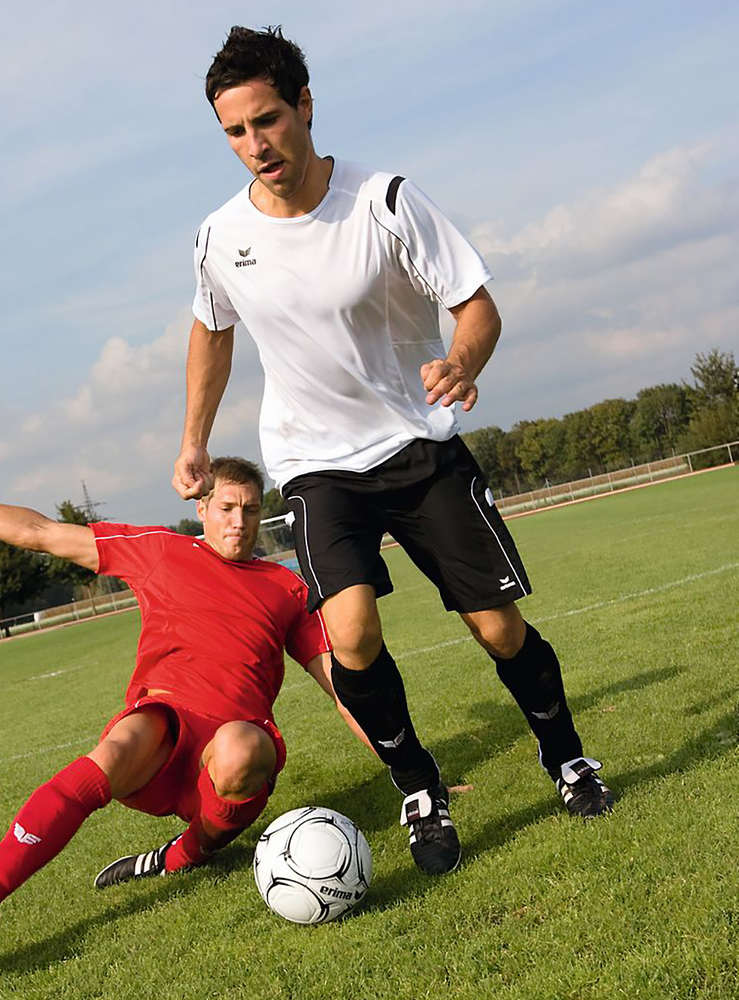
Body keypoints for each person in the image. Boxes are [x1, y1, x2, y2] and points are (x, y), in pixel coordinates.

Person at [172, 26, 614, 878]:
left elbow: (476, 306)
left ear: (305, 105)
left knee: (498, 628)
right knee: (351, 631)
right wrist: (193, 439)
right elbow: (212, 330)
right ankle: (420, 788)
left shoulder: (386, 200)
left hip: (416, 444)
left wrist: (462, 361)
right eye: (234, 132)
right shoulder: (220, 234)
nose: (255, 145)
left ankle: (565, 756)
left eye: (267, 120)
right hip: (314, 463)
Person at [0, 455, 358, 973]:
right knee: (126, 736)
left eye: (249, 508)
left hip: (230, 757)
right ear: (202, 508)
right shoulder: (159, 550)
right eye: (226, 507)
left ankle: (184, 853)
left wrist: (413, 776)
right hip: (161, 735)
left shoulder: (286, 587)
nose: (238, 522)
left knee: (241, 747)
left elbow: (343, 686)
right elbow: (41, 532)